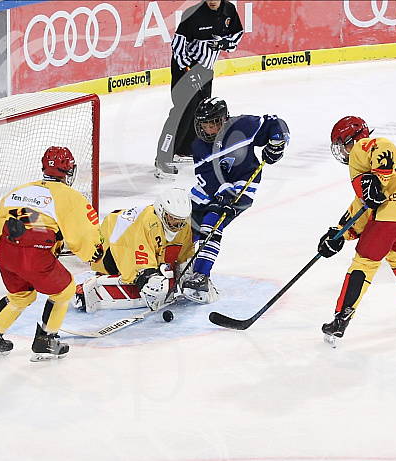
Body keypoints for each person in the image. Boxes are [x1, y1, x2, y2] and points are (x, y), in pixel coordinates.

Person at [0, 146, 105, 361]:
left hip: (5, 252)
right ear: (69, 172)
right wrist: (94, 254)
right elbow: (84, 233)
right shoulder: (71, 198)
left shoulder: (18, 191)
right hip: (34, 256)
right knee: (64, 289)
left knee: (21, 295)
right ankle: (46, 341)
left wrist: (11, 253)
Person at [319, 116, 396, 347]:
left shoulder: (362, 150)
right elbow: (363, 206)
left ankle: (341, 320)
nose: (344, 150)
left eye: (343, 144)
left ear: (353, 139)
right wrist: (339, 235)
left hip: (393, 212)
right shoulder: (383, 175)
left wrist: (378, 175)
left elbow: (385, 146)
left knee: (365, 263)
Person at [182, 97, 289, 298]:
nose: (208, 129)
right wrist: (222, 193)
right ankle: (178, 265)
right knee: (184, 221)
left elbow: (275, 123)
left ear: (224, 119)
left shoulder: (243, 126)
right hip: (212, 187)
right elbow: (208, 177)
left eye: (213, 123)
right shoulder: (198, 146)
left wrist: (277, 144)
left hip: (243, 184)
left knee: (212, 221)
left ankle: (201, 275)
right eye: (205, 124)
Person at [155, 0, 244, 179]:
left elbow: (237, 34)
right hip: (186, 71)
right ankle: (163, 159)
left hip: (206, 70)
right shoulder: (193, 14)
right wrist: (189, 72)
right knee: (181, 113)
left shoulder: (228, 10)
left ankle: (184, 150)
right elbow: (178, 47)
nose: (212, 1)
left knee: (201, 112)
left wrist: (223, 44)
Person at [74, 188, 200, 312]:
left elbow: (185, 253)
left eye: (182, 221)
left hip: (138, 247)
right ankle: (84, 293)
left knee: (164, 282)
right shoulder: (146, 223)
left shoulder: (182, 225)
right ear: (161, 211)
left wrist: (187, 276)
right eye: (173, 218)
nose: (178, 225)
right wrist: (148, 277)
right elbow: (138, 255)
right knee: (150, 284)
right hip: (112, 248)